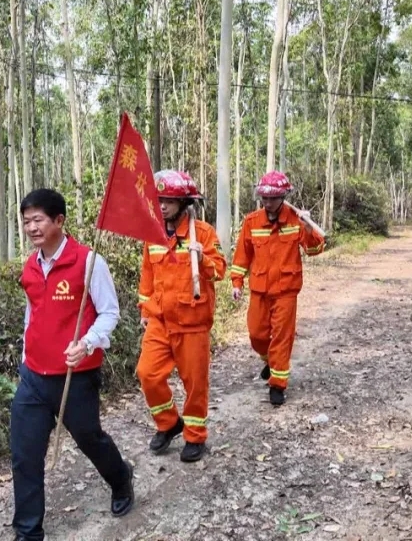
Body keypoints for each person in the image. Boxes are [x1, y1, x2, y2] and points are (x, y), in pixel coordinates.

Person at [11, 188, 134, 541]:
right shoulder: (30, 266)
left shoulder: (88, 262)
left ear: (59, 220)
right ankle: (28, 532)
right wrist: (26, 358)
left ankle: (121, 478)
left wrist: (87, 343)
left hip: (74, 376)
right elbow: (31, 314)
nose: (31, 228)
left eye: (38, 220)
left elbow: (110, 312)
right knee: (25, 453)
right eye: (26, 222)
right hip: (33, 378)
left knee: (89, 439)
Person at [135, 170, 227, 463]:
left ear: (184, 203)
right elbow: (147, 278)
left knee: (195, 384)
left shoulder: (204, 233)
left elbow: (220, 270)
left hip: (192, 322)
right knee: (147, 374)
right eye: (159, 200)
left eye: (169, 201)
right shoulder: (153, 235)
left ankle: (195, 436)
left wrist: (203, 258)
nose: (162, 206)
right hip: (160, 321)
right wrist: (145, 310)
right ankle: (169, 423)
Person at [230, 171, 325, 407]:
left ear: (283, 197)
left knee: (282, 338)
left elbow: (314, 250)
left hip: (286, 291)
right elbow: (242, 256)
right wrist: (237, 282)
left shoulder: (296, 220)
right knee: (257, 335)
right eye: (265, 198)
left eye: (273, 198)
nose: (268, 202)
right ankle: (270, 361)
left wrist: (309, 228)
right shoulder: (252, 222)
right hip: (260, 290)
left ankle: (278, 385)